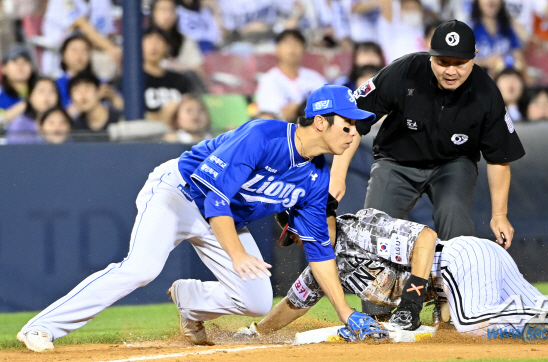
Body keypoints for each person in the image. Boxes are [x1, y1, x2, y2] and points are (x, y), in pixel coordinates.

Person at [16, 84, 388, 353]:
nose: (354, 133)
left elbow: (320, 252)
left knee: (256, 300)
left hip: (224, 217)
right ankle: (42, 327)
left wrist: (346, 313)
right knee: (142, 268)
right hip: (179, 193)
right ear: (320, 122)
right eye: (347, 124)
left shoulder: (316, 178)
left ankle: (188, 300)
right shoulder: (263, 135)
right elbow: (216, 198)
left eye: (356, 127)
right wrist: (237, 255)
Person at [234, 206, 548, 340]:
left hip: (457, 261)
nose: (300, 240)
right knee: (540, 309)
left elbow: (425, 237)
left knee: (477, 328)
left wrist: (413, 299)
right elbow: (292, 306)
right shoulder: (321, 266)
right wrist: (256, 332)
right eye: (294, 237)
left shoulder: (361, 226)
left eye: (297, 231)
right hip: (472, 263)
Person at [330, 20, 525, 318]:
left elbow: (499, 158)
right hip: (396, 163)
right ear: (430, 55)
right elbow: (352, 122)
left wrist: (500, 215)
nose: (451, 70)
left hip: (452, 165)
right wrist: (338, 174)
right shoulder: (403, 71)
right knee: (375, 226)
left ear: (474, 56)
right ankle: (374, 312)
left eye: (460, 62)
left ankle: (454, 307)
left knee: (454, 216)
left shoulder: (486, 92)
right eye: (443, 61)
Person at [255, 29, 326, 122]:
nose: (292, 48)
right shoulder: (269, 80)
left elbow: (327, 110)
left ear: (304, 49)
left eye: (297, 44)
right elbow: (269, 118)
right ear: (277, 49)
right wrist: (298, 108)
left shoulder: (315, 78)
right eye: (287, 43)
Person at [40, 0, 121, 77]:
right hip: (58, 52)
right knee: (104, 59)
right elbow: (82, 25)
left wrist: (113, 48)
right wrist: (111, 48)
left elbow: (107, 32)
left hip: (91, 50)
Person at [55, 34, 124, 111]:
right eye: (74, 50)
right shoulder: (56, 86)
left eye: (84, 50)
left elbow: (124, 107)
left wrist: (112, 96)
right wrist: (93, 99)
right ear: (63, 55)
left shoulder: (101, 83)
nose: (79, 55)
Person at [140, 26, 194, 122]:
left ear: (168, 47)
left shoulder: (179, 79)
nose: (154, 46)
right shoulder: (131, 80)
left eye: (159, 41)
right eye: (149, 40)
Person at [149, 0, 205, 74]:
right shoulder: (144, 40)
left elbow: (199, 71)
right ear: (153, 13)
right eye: (163, 10)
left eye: (171, 10)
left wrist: (182, 69)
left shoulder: (185, 40)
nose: (168, 15)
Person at [470, 0, 524, 75]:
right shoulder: (470, 28)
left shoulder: (507, 27)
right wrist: (485, 62)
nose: (491, 1)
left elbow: (518, 54)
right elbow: (461, 61)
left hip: (503, 79)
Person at [69, 71, 122, 142]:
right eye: (77, 91)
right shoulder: (77, 127)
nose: (83, 95)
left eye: (87, 88)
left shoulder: (118, 119)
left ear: (99, 91)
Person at [5, 77, 61, 144]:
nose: (46, 96)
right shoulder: (20, 125)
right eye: (41, 91)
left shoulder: (63, 122)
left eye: (52, 91)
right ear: (30, 96)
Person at [0, 45, 38, 127]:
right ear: (4, 68)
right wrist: (28, 102)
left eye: (25, 62)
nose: (20, 67)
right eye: (15, 62)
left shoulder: (42, 90)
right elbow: (1, 121)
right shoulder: (1, 94)